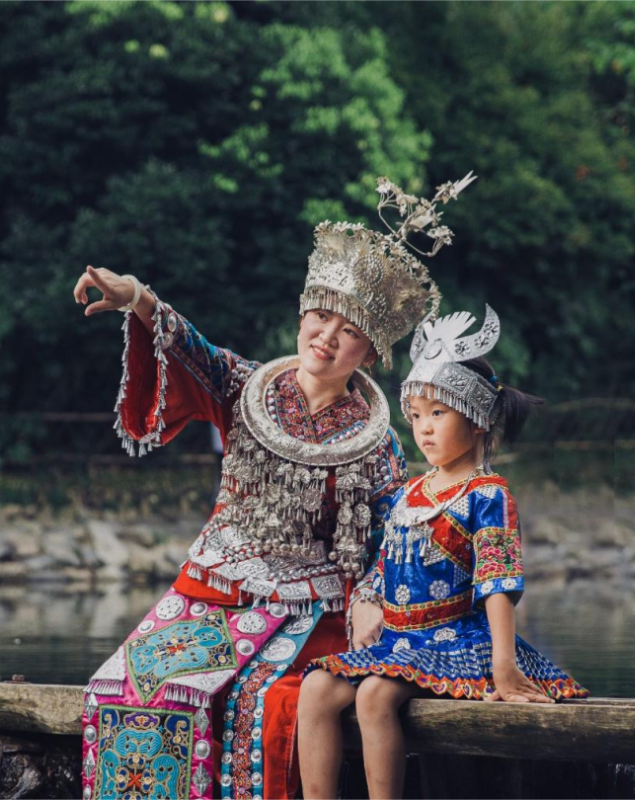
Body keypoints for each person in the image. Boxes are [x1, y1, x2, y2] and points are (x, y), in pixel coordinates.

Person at [76, 176, 473, 800]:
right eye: (319, 317)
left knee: (266, 706)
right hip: (213, 589)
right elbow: (190, 348)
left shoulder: (378, 441)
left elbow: (390, 534)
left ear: (369, 353)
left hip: (309, 606)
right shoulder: (246, 387)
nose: (327, 335)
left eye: (348, 331)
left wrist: (369, 596)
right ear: (300, 316)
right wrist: (137, 298)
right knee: (124, 685)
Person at [297, 305, 589, 800]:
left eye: (438, 413)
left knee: (373, 695)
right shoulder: (412, 491)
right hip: (401, 642)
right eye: (415, 416)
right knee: (315, 689)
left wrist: (504, 664)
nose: (424, 429)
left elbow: (497, 583)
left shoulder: (487, 493)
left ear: (477, 420)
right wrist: (368, 596)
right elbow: (386, 563)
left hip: (462, 641)